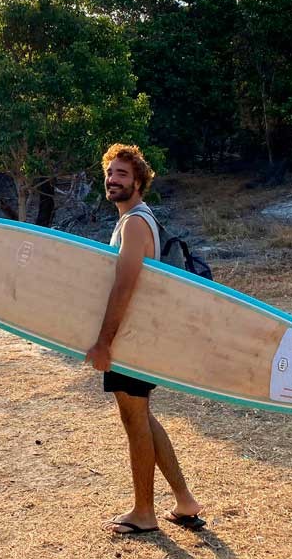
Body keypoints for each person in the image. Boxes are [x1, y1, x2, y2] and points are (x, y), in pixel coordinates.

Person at [84, 143, 205, 536]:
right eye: (109, 172)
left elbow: (124, 287)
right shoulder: (132, 220)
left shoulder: (136, 222)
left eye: (121, 174)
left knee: (134, 421)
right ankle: (184, 501)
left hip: (132, 339)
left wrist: (104, 342)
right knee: (142, 418)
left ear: (138, 182)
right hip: (137, 338)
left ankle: (144, 512)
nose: (112, 179)